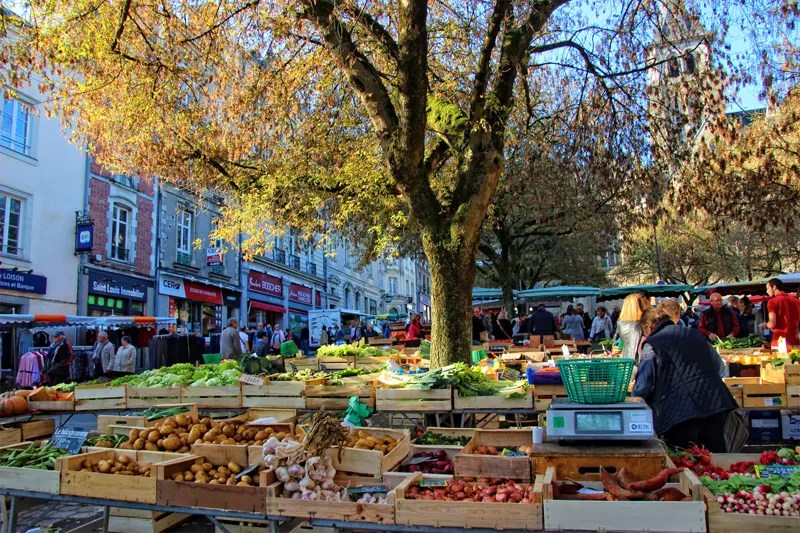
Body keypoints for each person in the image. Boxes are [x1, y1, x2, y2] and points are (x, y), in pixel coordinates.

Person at [633, 308, 737, 452]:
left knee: (685, 463)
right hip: (714, 403)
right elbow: (719, 366)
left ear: (649, 327)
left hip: (679, 412)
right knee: (715, 460)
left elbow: (644, 385)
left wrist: (633, 401)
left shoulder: (652, 344)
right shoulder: (695, 334)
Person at [763, 278, 800, 348]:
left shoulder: (772, 302)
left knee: (780, 359)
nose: (767, 291)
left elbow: (772, 323)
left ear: (774, 287)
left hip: (780, 341)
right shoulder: (796, 301)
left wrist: (766, 325)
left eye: (768, 288)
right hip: (795, 340)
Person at [614, 294, 647, 359]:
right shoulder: (644, 322)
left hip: (625, 359)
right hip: (640, 359)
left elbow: (616, 340)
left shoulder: (620, 323)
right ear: (640, 305)